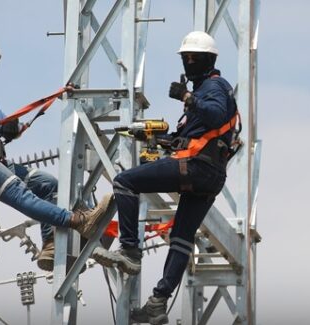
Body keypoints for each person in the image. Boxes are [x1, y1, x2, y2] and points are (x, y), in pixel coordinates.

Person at [0, 33, 113, 272]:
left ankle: (50, 244)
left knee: (48, 184)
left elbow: (7, 124)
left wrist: (14, 126)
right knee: (20, 193)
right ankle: (78, 221)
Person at [91, 31, 239, 324]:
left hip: (196, 167)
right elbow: (202, 133)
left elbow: (216, 114)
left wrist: (187, 97)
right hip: (209, 176)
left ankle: (130, 250)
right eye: (185, 58)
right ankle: (159, 302)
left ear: (209, 60)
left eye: (193, 58)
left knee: (125, 181)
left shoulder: (215, 86)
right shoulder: (207, 91)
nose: (189, 62)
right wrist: (163, 138)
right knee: (182, 237)